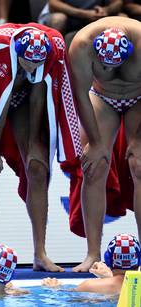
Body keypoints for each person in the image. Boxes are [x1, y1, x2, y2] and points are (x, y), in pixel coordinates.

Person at [0, 23, 81, 272]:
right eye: (27, 63)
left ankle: (40, 253)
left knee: (38, 167)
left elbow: (40, 95)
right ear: (17, 53)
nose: (32, 68)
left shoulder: (52, 48)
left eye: (36, 65)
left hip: (26, 99)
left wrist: (33, 145)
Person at [67, 17, 141, 272]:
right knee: (94, 165)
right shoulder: (81, 45)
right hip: (101, 98)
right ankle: (92, 254)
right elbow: (80, 96)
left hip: (139, 98)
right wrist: (97, 142)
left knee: (139, 165)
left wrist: (138, 140)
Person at [42, 234, 141, 294]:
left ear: (108, 259)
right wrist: (108, 277)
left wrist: (55, 289)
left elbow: (67, 298)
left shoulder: (89, 286)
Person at [38, 0, 123, 37]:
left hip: (95, 17)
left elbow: (118, 2)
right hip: (67, 17)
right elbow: (53, 4)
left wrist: (106, 10)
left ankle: (116, 63)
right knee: (58, 19)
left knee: (123, 19)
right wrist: (82, 14)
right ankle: (54, 59)